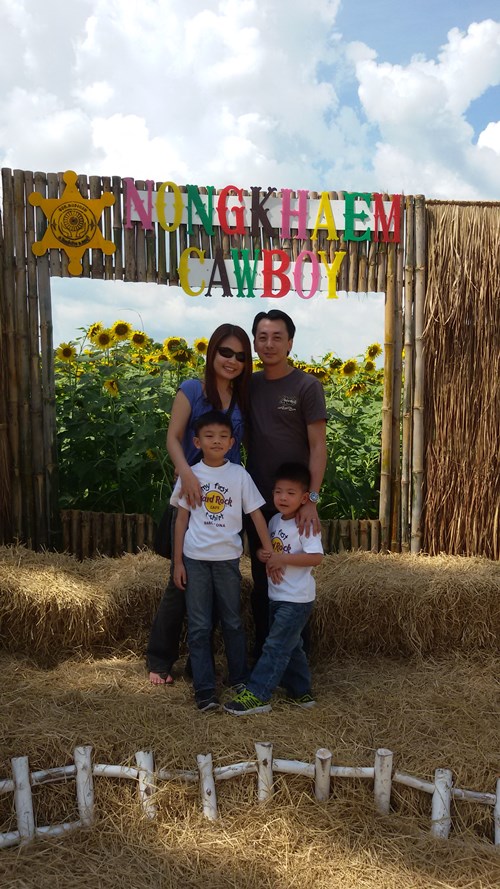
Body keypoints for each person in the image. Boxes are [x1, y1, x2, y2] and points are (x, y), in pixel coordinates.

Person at [147, 324, 253, 685]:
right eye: (226, 352)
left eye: (241, 356)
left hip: (223, 503)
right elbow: (172, 437)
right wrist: (187, 474)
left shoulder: (242, 398)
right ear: (212, 353)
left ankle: (200, 665)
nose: (232, 360)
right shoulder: (192, 389)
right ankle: (159, 660)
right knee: (180, 584)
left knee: (216, 594)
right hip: (191, 497)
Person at [171, 410, 273, 711]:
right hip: (195, 560)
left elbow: (256, 514)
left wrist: (270, 551)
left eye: (223, 436)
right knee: (199, 626)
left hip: (228, 560)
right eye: (209, 436)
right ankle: (204, 690)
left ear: (232, 443)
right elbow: (181, 521)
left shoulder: (239, 476)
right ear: (197, 442)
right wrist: (178, 563)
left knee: (233, 622)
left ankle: (239, 679)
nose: (216, 441)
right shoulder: (191, 475)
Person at [245, 310, 327, 658]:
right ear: (254, 343)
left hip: (296, 505)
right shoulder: (248, 385)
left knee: (294, 579)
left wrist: (311, 500)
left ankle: (298, 659)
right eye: (262, 337)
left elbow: (319, 446)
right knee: (263, 576)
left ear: (290, 343)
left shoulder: (306, 386)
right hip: (256, 502)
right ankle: (265, 655)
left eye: (277, 337)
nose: (269, 344)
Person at [224, 462, 324, 715]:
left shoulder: (305, 524)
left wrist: (282, 559)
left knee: (275, 646)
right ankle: (301, 692)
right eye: (278, 492)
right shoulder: (275, 521)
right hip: (277, 595)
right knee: (292, 646)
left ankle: (258, 694)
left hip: (296, 599)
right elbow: (268, 550)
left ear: (304, 498)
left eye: (290, 493)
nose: (283, 497)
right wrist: (263, 555)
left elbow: (316, 557)